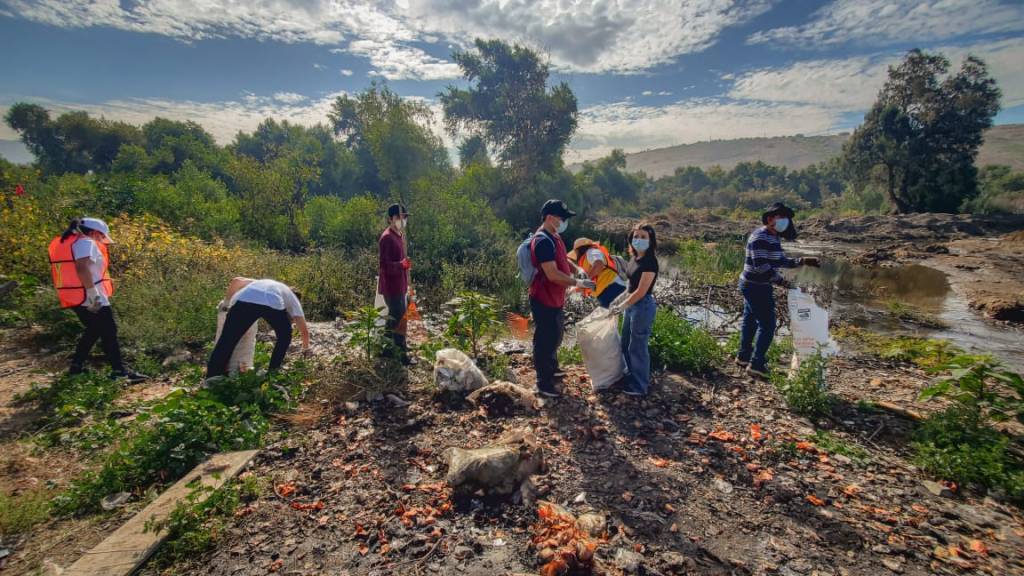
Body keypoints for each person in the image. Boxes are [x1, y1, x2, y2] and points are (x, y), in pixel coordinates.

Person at [48, 217, 147, 382]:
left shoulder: (71, 243)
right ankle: (119, 372)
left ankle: (76, 368)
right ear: (94, 232)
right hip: (92, 297)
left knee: (94, 330)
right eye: (102, 236)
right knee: (109, 332)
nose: (102, 240)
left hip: (76, 296)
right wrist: (93, 294)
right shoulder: (86, 243)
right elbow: (82, 268)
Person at [736, 202, 820, 378]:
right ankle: (756, 365)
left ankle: (743, 357)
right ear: (769, 219)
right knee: (767, 325)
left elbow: (780, 261)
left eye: (786, 218)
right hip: (755, 286)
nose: (785, 221)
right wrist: (784, 283)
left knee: (750, 321)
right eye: (781, 217)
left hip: (756, 285)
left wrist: (802, 261)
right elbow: (761, 267)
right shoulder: (760, 237)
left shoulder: (773, 237)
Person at [529, 200, 595, 398]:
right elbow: (552, 274)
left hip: (556, 298)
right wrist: (578, 282)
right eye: (562, 218)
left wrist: (577, 268)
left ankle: (553, 367)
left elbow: (562, 259)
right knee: (545, 340)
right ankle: (543, 382)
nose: (564, 221)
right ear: (550, 218)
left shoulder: (554, 236)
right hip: (544, 298)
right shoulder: (542, 241)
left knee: (556, 334)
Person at [206, 278, 310, 378]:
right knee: (285, 336)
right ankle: (272, 373)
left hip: (244, 300)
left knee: (227, 339)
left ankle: (212, 376)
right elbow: (304, 332)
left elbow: (237, 280)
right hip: (271, 303)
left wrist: (226, 303)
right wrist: (305, 349)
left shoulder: (263, 283)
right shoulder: (293, 300)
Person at [609, 224, 659, 396]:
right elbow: (630, 287)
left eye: (644, 237)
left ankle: (640, 386)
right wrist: (617, 301)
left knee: (637, 347)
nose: (639, 240)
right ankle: (632, 375)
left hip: (642, 306)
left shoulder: (650, 262)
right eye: (636, 236)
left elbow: (641, 291)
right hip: (631, 305)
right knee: (625, 343)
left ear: (651, 241)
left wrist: (623, 306)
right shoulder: (634, 259)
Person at [378, 203, 415, 365]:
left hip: (400, 285)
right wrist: (401, 265)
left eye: (404, 217)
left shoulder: (399, 235)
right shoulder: (387, 238)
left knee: (393, 318)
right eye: (399, 217)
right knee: (400, 321)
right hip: (392, 287)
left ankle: (385, 349)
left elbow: (400, 262)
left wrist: (404, 265)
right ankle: (401, 356)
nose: (402, 220)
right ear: (390, 219)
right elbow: (384, 266)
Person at [568, 238, 627, 309]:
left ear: (578, 250)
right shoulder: (588, 257)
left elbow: (599, 265)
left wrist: (585, 281)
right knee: (615, 314)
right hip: (607, 291)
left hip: (612, 288)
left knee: (617, 313)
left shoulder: (591, 252)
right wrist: (575, 289)